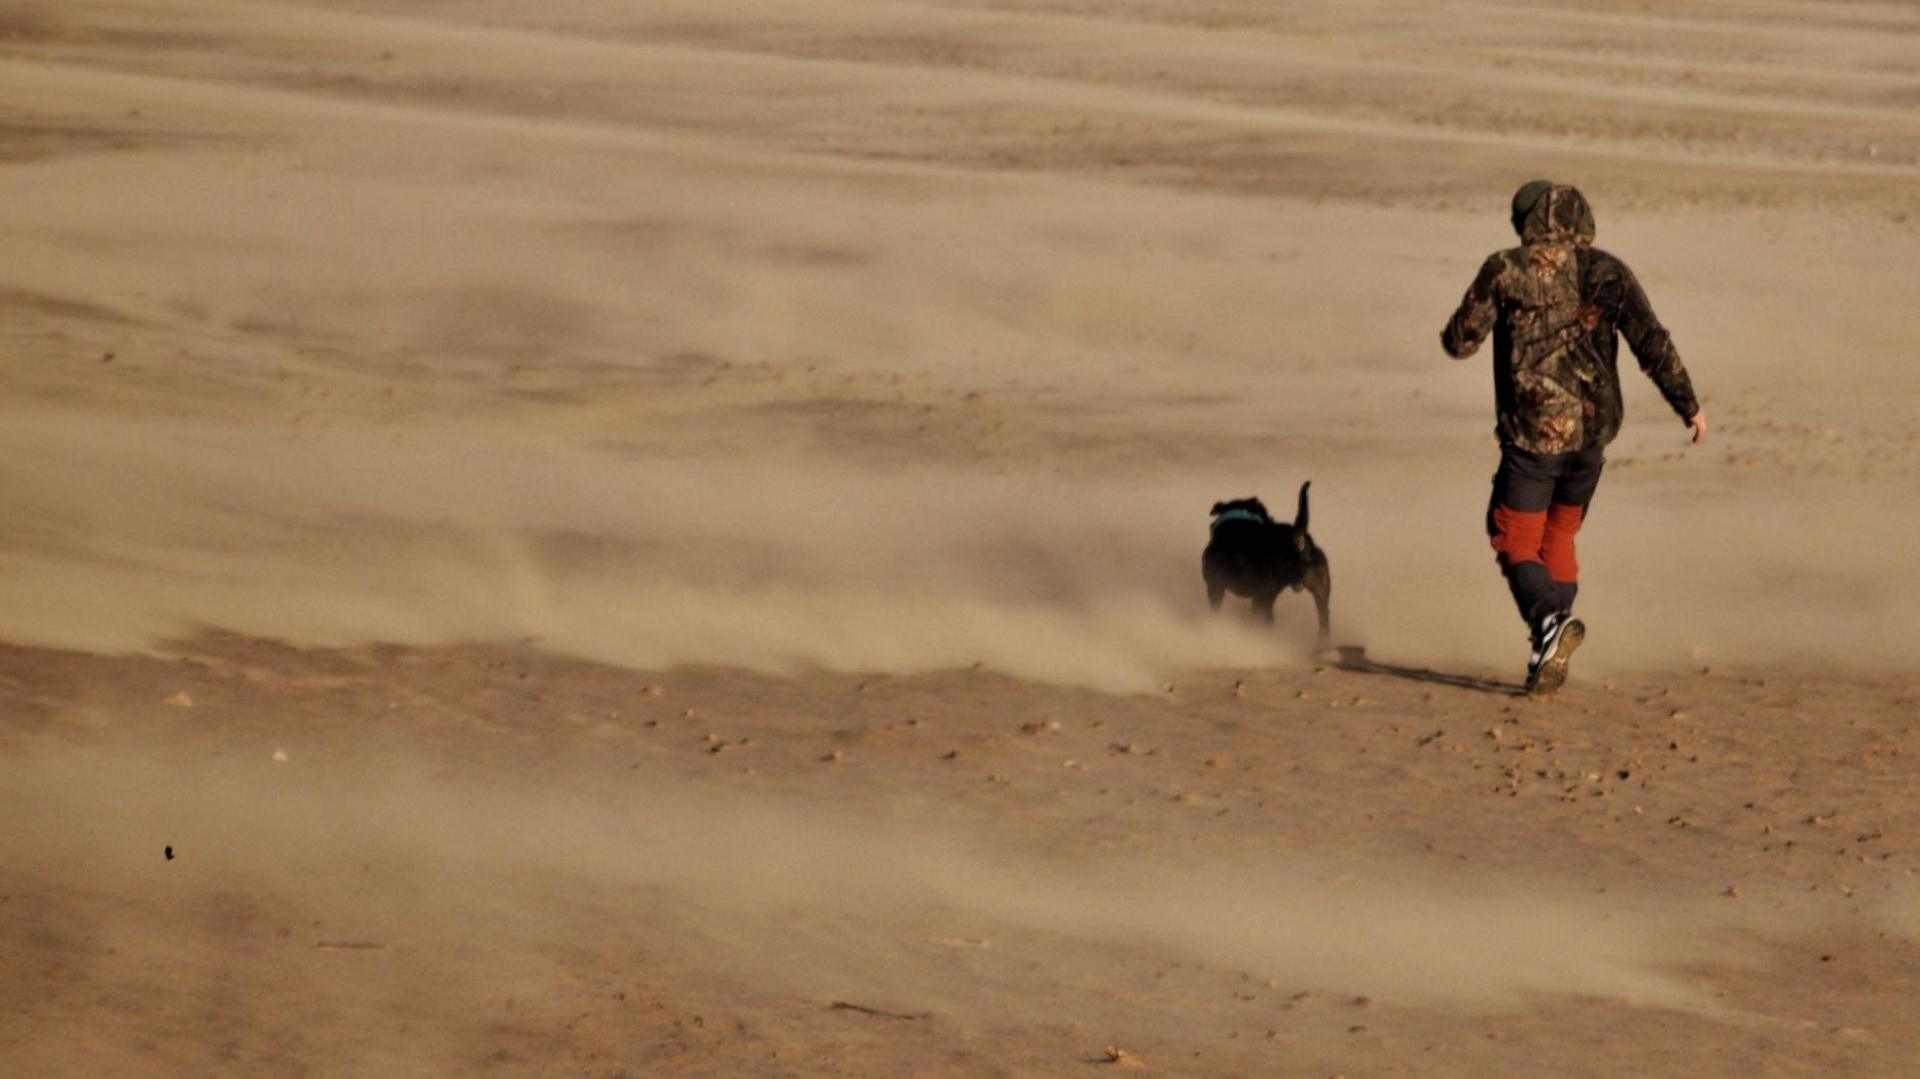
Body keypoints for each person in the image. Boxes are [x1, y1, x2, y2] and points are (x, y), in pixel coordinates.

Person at [1440, 180, 1706, 694]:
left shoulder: (1505, 268)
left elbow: (1460, 341)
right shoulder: (1608, 269)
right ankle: (1549, 647)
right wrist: (1688, 406)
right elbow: (1651, 340)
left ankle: (1549, 623)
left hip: (1533, 437)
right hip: (1592, 438)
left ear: (1525, 223)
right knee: (1559, 537)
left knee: (1514, 538)